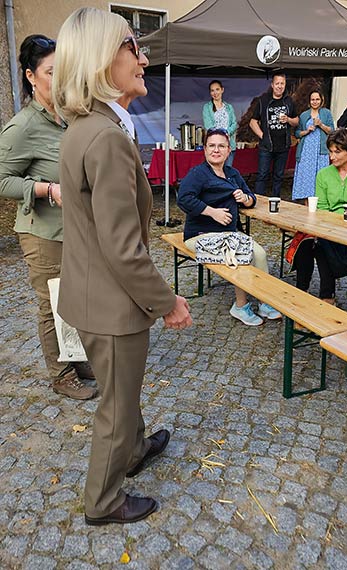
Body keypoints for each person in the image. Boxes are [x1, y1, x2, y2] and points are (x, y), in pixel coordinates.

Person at [53, 7, 193, 526]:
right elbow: (123, 246)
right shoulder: (107, 137)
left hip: (95, 294)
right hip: (112, 303)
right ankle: (104, 501)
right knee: (115, 405)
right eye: (131, 45)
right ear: (98, 60)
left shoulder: (91, 126)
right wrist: (168, 302)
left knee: (123, 391)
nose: (142, 55)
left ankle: (134, 452)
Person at [0, 35, 97, 401]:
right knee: (51, 304)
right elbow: (2, 179)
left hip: (74, 228)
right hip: (43, 232)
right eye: (51, 72)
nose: (60, 80)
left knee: (74, 299)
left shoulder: (67, 117)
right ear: (30, 76)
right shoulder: (22, 127)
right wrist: (45, 189)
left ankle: (76, 358)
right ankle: (60, 374)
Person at [177, 128, 282, 326]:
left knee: (259, 254)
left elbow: (251, 197)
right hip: (200, 235)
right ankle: (240, 307)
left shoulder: (232, 174)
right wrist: (211, 211)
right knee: (239, 255)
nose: (216, 150)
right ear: (205, 150)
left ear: (228, 150)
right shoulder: (198, 174)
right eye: (212, 146)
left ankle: (266, 302)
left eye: (221, 146)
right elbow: (183, 199)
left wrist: (246, 199)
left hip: (228, 234)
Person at [293, 129, 347, 302]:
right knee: (309, 244)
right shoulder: (324, 174)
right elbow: (322, 208)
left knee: (319, 244)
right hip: (331, 226)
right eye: (330, 151)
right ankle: (310, 294)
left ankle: (324, 296)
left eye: (337, 152)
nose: (332, 156)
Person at [249, 73, 298, 197]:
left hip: (283, 146)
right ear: (272, 85)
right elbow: (253, 122)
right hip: (266, 146)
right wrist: (262, 136)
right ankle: (258, 202)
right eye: (277, 83)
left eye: (282, 83)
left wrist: (288, 120)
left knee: (279, 176)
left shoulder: (289, 101)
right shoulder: (263, 100)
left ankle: (276, 202)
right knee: (262, 175)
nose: (280, 86)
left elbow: (296, 120)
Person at [292, 89, 334, 202]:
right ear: (309, 101)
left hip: (321, 151)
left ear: (321, 100)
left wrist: (321, 125)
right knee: (307, 178)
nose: (315, 102)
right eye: (312, 100)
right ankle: (306, 204)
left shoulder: (326, 113)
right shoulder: (304, 115)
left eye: (317, 99)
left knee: (321, 177)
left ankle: (320, 205)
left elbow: (332, 131)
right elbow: (297, 133)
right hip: (306, 152)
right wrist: (306, 131)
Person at [202, 80, 237, 167]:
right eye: (212, 90)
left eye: (217, 89)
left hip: (229, 145)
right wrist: (221, 135)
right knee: (214, 171)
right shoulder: (207, 107)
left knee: (228, 171)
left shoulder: (229, 107)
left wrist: (227, 132)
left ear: (222, 90)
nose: (215, 93)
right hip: (214, 146)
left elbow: (234, 124)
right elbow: (209, 126)